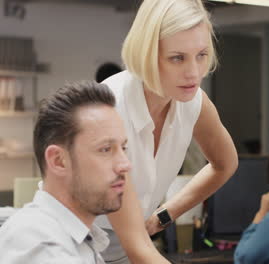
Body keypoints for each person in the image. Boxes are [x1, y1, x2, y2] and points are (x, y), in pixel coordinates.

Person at [96, 0, 238, 263]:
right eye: (177, 58)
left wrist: (165, 214)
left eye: (201, 55)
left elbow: (225, 164)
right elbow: (137, 246)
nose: (193, 72)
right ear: (146, 54)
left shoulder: (193, 102)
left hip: (126, 246)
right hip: (67, 245)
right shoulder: (112, 107)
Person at [0, 81, 131, 263]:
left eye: (124, 148)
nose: (125, 164)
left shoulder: (78, 240)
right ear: (58, 161)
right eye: (106, 149)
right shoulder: (42, 246)